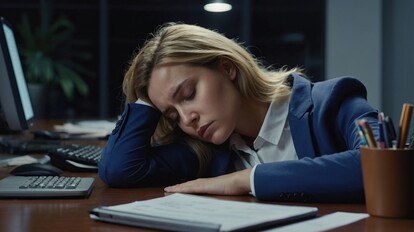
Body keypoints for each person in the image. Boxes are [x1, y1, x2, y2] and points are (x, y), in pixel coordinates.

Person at [98, 22, 379, 203]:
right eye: (172, 115)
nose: (187, 120)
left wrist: (246, 179)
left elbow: (381, 166)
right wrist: (148, 97)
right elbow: (119, 170)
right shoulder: (209, 151)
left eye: (188, 95)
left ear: (227, 67)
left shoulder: (331, 101)